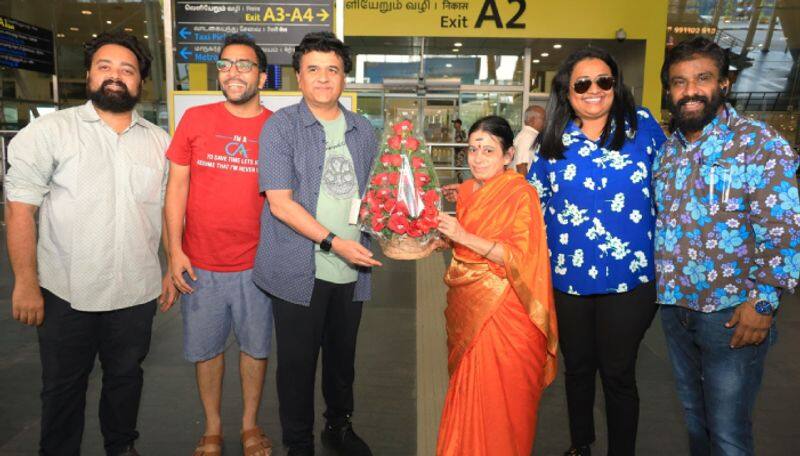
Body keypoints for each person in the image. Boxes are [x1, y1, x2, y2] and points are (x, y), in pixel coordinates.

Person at [4, 32, 176, 456]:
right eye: (105, 66)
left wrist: (172, 266)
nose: (115, 76)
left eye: (127, 70)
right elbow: (19, 211)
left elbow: (170, 213)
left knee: (126, 379)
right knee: (62, 389)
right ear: (89, 75)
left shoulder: (161, 144)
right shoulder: (49, 133)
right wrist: (26, 283)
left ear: (141, 83)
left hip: (135, 291)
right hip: (66, 292)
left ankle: (122, 447)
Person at [655, 36, 800, 456]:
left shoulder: (759, 144)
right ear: (669, 90)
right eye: (679, 82)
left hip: (733, 312)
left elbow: (784, 227)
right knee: (696, 422)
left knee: (729, 432)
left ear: (725, 84)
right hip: (677, 308)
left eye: (702, 78)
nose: (690, 90)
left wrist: (764, 302)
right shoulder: (668, 152)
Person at [526, 47, 666, 456]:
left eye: (603, 81)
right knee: (579, 369)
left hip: (632, 278)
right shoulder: (553, 138)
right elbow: (530, 204)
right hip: (568, 279)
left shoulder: (643, 128)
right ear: (567, 92)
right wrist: (475, 197)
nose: (593, 90)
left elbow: (674, 187)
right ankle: (580, 444)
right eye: (581, 83)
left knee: (619, 372)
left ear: (615, 85)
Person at [254, 32, 380, 456]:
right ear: (298, 77)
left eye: (333, 69)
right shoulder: (280, 127)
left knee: (342, 361)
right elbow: (280, 204)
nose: (324, 78)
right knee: (297, 365)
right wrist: (333, 243)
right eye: (313, 69)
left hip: (353, 267)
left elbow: (373, 196)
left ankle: (338, 425)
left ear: (344, 76)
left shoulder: (364, 130)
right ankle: (298, 442)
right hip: (297, 269)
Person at [165, 34, 274, 456]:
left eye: (244, 65)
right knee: (206, 351)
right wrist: (174, 252)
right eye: (226, 64)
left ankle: (249, 424)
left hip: (257, 265)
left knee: (256, 348)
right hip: (201, 263)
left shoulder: (275, 128)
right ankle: (212, 427)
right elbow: (175, 189)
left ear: (262, 76)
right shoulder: (194, 119)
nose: (233, 72)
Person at [435, 115, 558, 456]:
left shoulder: (521, 193)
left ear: (507, 156)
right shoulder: (473, 190)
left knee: (503, 409)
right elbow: (473, 238)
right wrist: (446, 240)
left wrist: (461, 235)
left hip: (508, 313)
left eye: (488, 150)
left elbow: (519, 255)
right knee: (470, 396)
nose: (477, 157)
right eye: (473, 149)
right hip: (471, 308)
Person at [511, 105, 546, 174]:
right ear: (532, 120)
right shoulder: (527, 137)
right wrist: (526, 185)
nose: (546, 122)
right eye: (543, 119)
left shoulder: (530, 135)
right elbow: (521, 166)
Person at [452, 118, 469, 183]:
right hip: (458, 152)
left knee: (458, 167)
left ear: (459, 124)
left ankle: (461, 183)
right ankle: (460, 182)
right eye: (454, 123)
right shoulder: (457, 131)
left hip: (460, 152)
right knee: (457, 168)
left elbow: (466, 141)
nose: (454, 124)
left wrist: (462, 147)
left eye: (455, 123)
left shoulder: (462, 132)